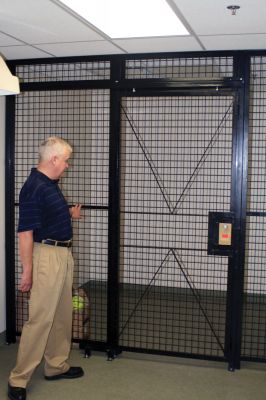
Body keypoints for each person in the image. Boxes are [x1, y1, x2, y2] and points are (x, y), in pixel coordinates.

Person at [8, 137, 84, 400]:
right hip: (46, 258)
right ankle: (18, 380)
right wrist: (27, 270)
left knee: (62, 315)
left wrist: (68, 214)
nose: (67, 165)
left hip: (62, 254)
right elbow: (26, 233)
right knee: (40, 319)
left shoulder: (50, 185)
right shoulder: (34, 187)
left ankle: (55, 365)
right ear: (53, 159)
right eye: (65, 160)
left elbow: (45, 216)